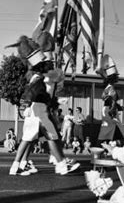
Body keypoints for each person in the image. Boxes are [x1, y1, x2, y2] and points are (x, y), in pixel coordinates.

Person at [8, 48, 79, 176]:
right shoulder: (45, 77)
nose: (51, 63)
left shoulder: (36, 76)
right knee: (51, 136)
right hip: (40, 110)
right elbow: (59, 75)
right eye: (48, 62)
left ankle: (16, 165)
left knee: (28, 139)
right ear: (42, 65)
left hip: (36, 110)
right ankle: (61, 165)